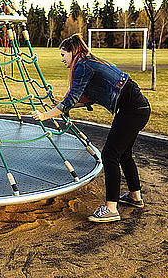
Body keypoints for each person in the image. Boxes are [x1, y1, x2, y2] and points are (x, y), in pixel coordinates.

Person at [31, 33, 150, 223]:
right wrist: (62, 105)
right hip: (138, 108)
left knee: (110, 155)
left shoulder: (83, 66)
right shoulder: (88, 62)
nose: (62, 59)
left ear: (72, 52)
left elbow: (72, 99)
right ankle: (135, 197)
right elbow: (90, 97)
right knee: (124, 154)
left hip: (131, 110)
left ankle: (111, 208)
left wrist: (46, 115)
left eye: (63, 55)